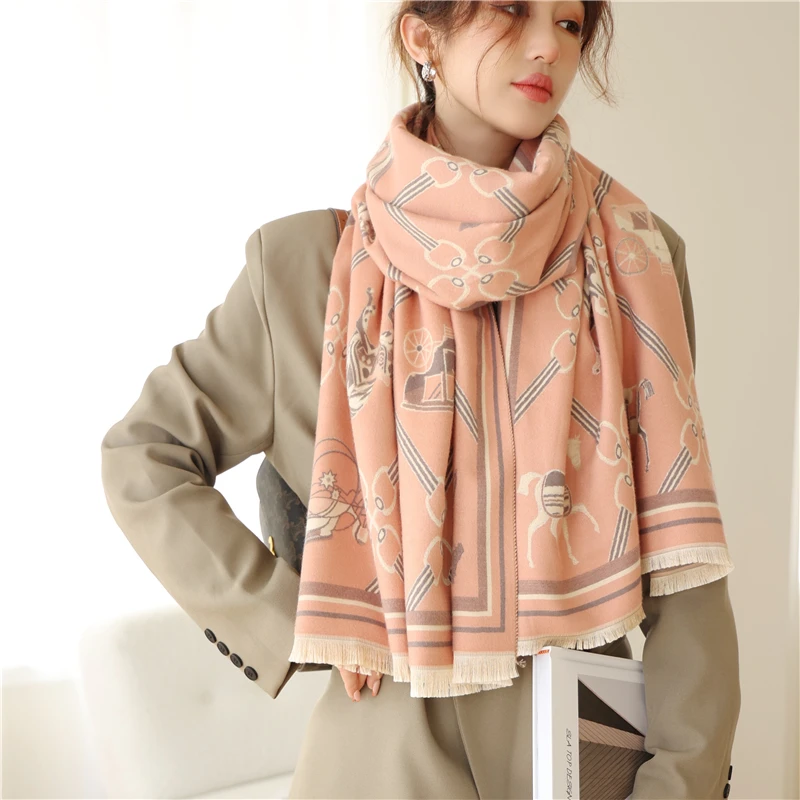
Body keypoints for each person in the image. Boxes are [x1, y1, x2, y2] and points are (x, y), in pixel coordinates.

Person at [100, 2, 741, 798]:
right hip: (380, 764)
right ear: (422, 34)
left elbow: (683, 568)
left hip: (582, 761)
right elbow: (144, 456)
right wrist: (294, 620)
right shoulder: (303, 272)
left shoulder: (636, 260)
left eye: (569, 22)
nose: (547, 45)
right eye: (511, 10)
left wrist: (680, 781)